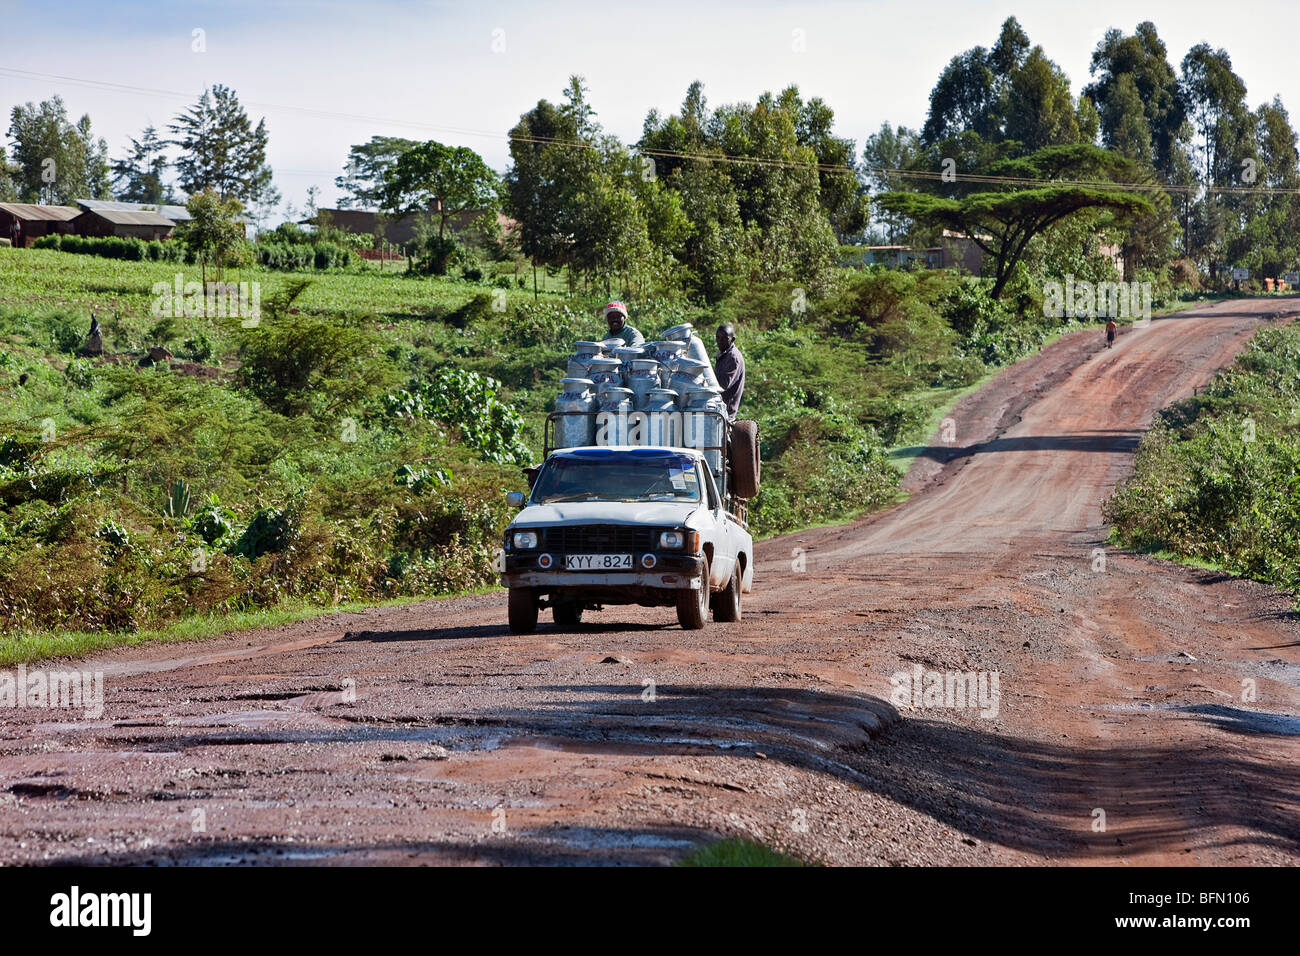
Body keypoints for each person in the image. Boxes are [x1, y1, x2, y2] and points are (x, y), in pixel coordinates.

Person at [713, 323, 745, 419]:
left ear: (732, 339)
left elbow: (723, 385)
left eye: (724, 339)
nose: (720, 341)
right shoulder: (723, 354)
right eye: (718, 337)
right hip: (718, 409)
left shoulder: (733, 358)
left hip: (726, 413)